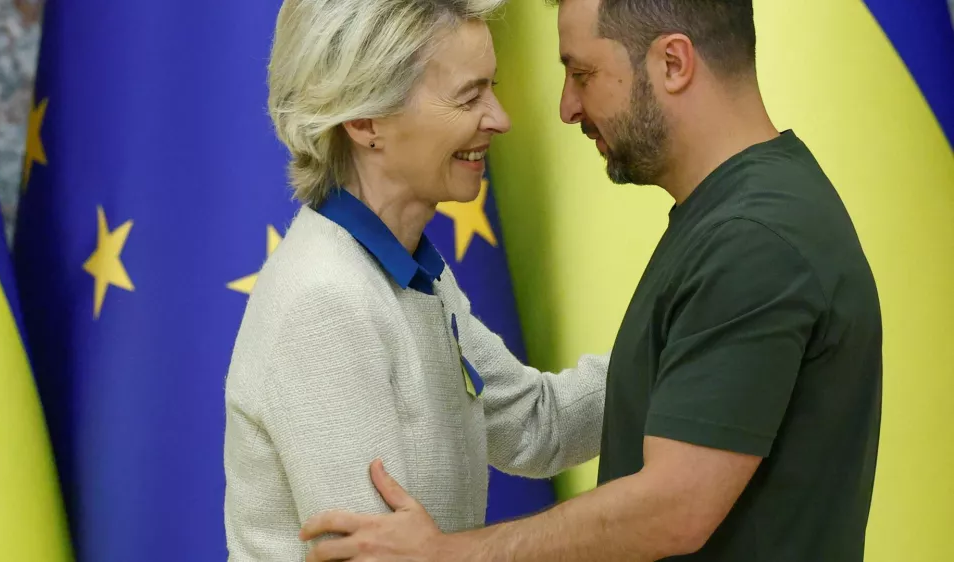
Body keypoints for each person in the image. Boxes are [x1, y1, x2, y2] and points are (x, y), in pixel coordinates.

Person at [300, 0, 884, 560]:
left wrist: (451, 556)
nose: (564, 108)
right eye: (468, 95)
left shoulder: (752, 237)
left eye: (582, 73)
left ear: (673, 63)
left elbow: (671, 507)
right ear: (365, 120)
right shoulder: (332, 291)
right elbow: (531, 420)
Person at [222, 0, 609, 559]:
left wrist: (689, 341)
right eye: (469, 96)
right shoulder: (326, 302)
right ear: (363, 120)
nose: (500, 118)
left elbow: (535, 425)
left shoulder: (410, 274)